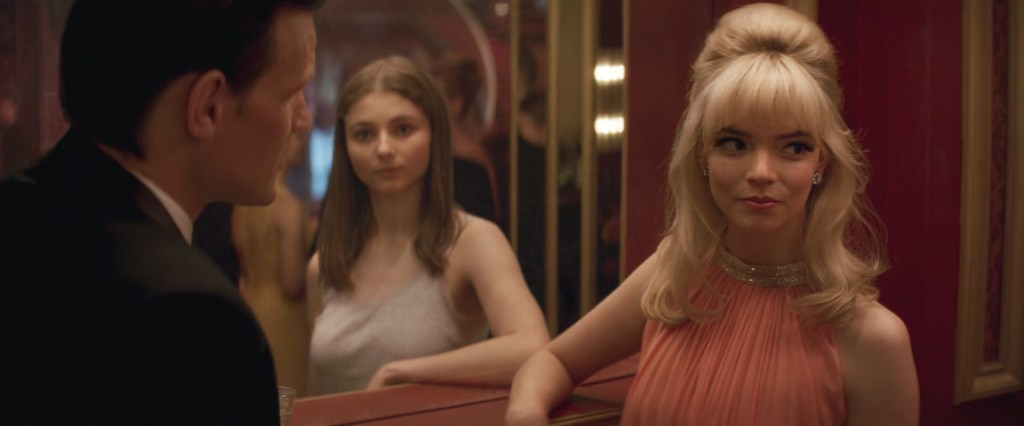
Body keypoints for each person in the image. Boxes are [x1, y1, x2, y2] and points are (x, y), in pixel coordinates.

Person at [505, 3, 919, 425]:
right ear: (702, 155)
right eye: (734, 144)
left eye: (794, 147)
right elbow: (554, 361)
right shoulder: (676, 273)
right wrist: (525, 412)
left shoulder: (872, 339)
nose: (761, 172)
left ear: (821, 163)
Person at [0, 0, 320, 424]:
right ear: (207, 106)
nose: (303, 120)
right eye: (290, 94)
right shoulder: (194, 315)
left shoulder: (15, 208)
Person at [307, 56, 548, 394]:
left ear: (434, 135)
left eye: (403, 129)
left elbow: (532, 346)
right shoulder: (325, 264)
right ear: (345, 147)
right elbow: (315, 393)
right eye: (364, 134)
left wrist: (404, 373)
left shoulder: (472, 241)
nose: (384, 148)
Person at [233, 133, 317, 395]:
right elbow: (292, 284)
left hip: (252, 307)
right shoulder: (288, 206)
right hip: (285, 318)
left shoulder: (242, 206)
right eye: (296, 137)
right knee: (288, 398)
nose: (302, 144)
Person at [430, 54, 499, 223]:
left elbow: (487, 221)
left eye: (434, 98)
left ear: (456, 103)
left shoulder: (475, 160)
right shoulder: (428, 151)